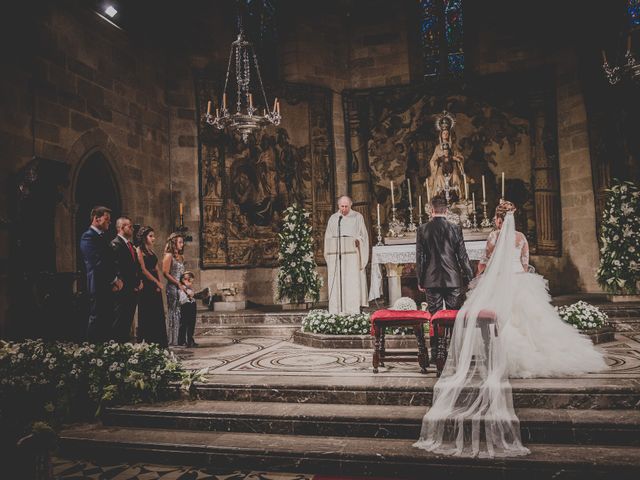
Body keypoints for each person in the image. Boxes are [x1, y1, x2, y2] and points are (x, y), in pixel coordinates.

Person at [414, 201, 606, 458]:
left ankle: (441, 352)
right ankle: (526, 352)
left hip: (442, 279)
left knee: (441, 317)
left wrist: (475, 277)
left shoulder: (483, 236)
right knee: (529, 322)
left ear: (497, 220)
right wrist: (465, 273)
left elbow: (480, 262)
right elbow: (524, 264)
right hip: (517, 284)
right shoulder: (518, 237)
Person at [416, 195, 473, 360]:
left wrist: (421, 280)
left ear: (431, 209)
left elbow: (420, 258)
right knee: (453, 317)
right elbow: (462, 256)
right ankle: (454, 352)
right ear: (446, 210)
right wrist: (470, 278)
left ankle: (436, 353)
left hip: (431, 279)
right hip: (453, 279)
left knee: (435, 317)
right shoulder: (455, 228)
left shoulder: (423, 229)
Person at [79, 206, 122, 342]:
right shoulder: (88, 237)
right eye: (106, 219)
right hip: (97, 283)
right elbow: (97, 262)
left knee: (107, 318)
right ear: (96, 219)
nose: (109, 222)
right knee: (97, 317)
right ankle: (91, 350)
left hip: (107, 284)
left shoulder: (103, 237)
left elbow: (110, 260)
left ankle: (104, 352)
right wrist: (114, 279)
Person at [323, 196, 369, 314]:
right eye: (342, 206)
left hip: (352, 258)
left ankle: (353, 310)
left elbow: (363, 235)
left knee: (351, 284)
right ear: (338, 206)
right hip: (336, 258)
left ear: (351, 205)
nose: (344, 209)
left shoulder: (358, 217)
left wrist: (358, 240)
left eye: (346, 206)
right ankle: (336, 310)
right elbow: (328, 238)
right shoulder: (334, 219)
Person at [110, 217, 142, 342]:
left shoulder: (130, 245)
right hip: (123, 288)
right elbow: (116, 266)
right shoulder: (115, 244)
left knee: (127, 319)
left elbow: (134, 266)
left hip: (132, 288)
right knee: (120, 320)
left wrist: (138, 281)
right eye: (129, 226)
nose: (132, 229)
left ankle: (124, 347)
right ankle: (117, 347)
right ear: (121, 228)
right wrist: (118, 282)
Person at [136, 226, 168, 348]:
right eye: (151, 236)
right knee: (147, 312)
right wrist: (156, 282)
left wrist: (160, 283)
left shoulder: (151, 251)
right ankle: (148, 342)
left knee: (157, 312)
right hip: (147, 285)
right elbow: (143, 270)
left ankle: (159, 342)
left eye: (153, 236)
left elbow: (156, 268)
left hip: (155, 285)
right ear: (144, 237)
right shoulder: (139, 250)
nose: (153, 238)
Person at [162, 232, 186, 346]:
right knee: (173, 311)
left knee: (180, 312)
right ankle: (172, 339)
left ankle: (180, 338)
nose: (182, 244)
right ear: (174, 243)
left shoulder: (181, 257)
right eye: (180, 242)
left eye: (182, 242)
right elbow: (165, 273)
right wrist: (177, 283)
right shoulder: (168, 256)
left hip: (181, 286)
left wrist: (185, 283)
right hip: (172, 287)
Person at [178, 271, 197, 347]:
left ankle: (190, 339)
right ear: (183, 280)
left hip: (192, 305)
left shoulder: (190, 288)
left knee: (192, 323)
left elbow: (192, 295)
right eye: (187, 280)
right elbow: (181, 300)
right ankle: (182, 341)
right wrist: (188, 295)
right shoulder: (181, 289)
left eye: (191, 280)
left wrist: (192, 294)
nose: (190, 282)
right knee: (184, 324)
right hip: (185, 306)